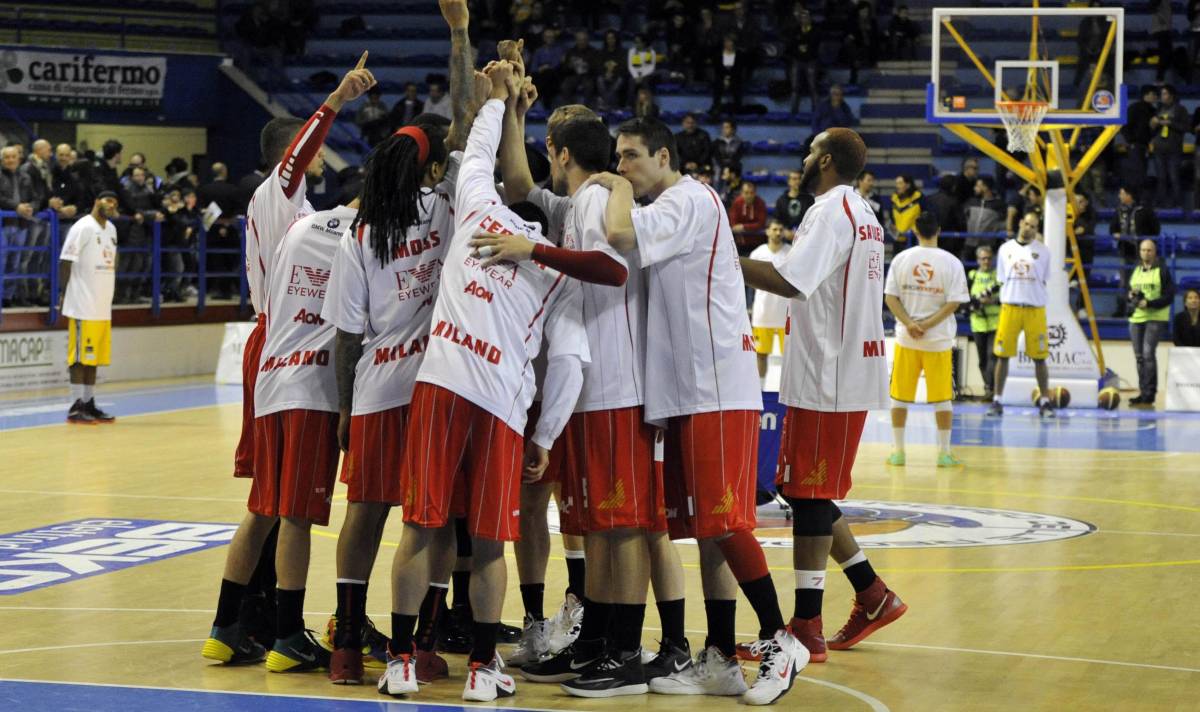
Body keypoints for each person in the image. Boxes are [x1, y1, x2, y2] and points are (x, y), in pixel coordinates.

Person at [379, 60, 588, 703]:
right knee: (491, 541)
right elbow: (572, 361)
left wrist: (499, 97)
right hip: (500, 403)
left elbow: (473, 149)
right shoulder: (555, 269)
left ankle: (402, 661)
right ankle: (480, 668)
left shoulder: (474, 211)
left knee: (421, 528)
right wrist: (547, 437)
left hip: (440, 383)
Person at [583, 117, 806, 706]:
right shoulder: (683, 202)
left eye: (631, 157)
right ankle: (720, 658)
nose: (623, 166)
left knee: (727, 525)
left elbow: (620, 233)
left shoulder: (688, 199)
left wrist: (615, 185)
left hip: (715, 389)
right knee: (708, 532)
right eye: (617, 158)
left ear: (663, 155)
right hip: (685, 393)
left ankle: (780, 640)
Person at [486, 79, 691, 699]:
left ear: (561, 152)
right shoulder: (572, 204)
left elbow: (610, 268)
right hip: (589, 387)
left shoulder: (596, 205)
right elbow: (521, 188)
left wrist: (531, 251)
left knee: (623, 525)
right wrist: (514, 115)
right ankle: (600, 638)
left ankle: (627, 651)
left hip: (618, 385)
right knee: (598, 526)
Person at [738, 127, 906, 668]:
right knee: (807, 489)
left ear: (826, 160)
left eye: (810, 152)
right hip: (841, 367)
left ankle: (806, 627)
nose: (803, 159)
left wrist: (719, 261)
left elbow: (791, 280)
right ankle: (872, 593)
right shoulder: (864, 213)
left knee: (807, 496)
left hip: (828, 371)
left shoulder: (830, 212)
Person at [202, 185, 361, 674]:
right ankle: (288, 634)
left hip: (270, 377)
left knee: (262, 510)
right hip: (312, 386)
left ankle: (225, 629)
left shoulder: (298, 226)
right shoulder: (362, 238)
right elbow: (354, 325)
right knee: (297, 516)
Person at [884, 212, 969, 466]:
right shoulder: (952, 262)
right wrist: (928, 324)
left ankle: (898, 452)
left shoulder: (901, 259)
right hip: (938, 340)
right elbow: (955, 301)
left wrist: (910, 324)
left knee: (899, 397)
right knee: (942, 398)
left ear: (915, 231)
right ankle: (944, 453)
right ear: (939, 230)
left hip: (906, 339)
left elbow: (890, 297)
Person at [57, 191, 119, 424]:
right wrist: (63, 293)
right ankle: (76, 405)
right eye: (107, 200)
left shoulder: (111, 229)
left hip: (102, 306)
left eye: (114, 202)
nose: (111, 205)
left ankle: (89, 402)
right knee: (79, 357)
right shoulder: (82, 227)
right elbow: (65, 261)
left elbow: (114, 260)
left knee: (93, 359)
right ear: (96, 201)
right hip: (82, 304)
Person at [988, 212, 1056, 418]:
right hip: (1010, 306)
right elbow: (1002, 278)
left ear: (1037, 230)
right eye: (1027, 224)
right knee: (1002, 355)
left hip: (1035, 308)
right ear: (1020, 223)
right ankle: (997, 399)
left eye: (1034, 226)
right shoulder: (1005, 249)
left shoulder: (1044, 252)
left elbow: (1044, 279)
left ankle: (1044, 401)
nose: (1029, 228)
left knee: (1039, 357)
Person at [1127, 239, 1176, 406]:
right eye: (1143, 250)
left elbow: (1169, 296)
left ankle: (1150, 393)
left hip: (1155, 316)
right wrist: (1132, 298)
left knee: (1148, 354)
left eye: (1149, 250)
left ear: (1155, 252)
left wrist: (1150, 303)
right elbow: (1132, 291)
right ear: (1139, 252)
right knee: (1139, 356)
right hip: (1136, 317)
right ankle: (1143, 392)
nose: (1146, 253)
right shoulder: (1135, 270)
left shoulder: (1162, 270)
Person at [749, 219, 791, 380]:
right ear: (767, 231)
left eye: (780, 229)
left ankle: (786, 393)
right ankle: (760, 390)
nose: (778, 233)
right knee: (760, 355)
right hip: (763, 313)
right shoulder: (757, 253)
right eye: (774, 229)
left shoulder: (791, 252)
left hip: (785, 314)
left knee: (789, 358)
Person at [1111, 185, 1161, 316]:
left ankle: (1136, 308)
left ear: (1129, 195)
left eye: (1122, 193)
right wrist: (1115, 233)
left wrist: (1147, 244)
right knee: (1123, 281)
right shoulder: (1118, 210)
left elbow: (1155, 228)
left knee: (1139, 282)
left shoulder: (1144, 210)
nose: (1119, 196)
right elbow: (1113, 228)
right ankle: (1120, 308)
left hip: (1141, 252)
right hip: (1124, 251)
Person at [0, 145, 36, 307]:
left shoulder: (26, 177)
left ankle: (8, 296)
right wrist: (16, 207)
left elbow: (35, 198)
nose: (10, 160)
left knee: (15, 262)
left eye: (13, 157)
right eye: (7, 157)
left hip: (21, 225)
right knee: (1, 261)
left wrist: (31, 208)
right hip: (3, 224)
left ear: (18, 158)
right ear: (2, 160)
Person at [968, 245, 1002, 399]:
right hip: (978, 323)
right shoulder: (972, 276)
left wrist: (992, 300)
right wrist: (974, 304)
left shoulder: (998, 276)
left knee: (992, 356)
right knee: (982, 359)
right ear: (978, 260)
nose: (986, 261)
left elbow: (1005, 297)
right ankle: (989, 388)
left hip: (995, 323)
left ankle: (992, 389)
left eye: (988, 258)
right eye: (983, 258)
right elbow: (965, 298)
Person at [1151, 85, 1189, 208]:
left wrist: (1170, 123)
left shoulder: (1180, 109)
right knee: (1161, 178)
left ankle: (1178, 205)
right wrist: (1153, 123)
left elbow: (1185, 127)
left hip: (1174, 149)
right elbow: (1152, 128)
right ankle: (1161, 205)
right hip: (1159, 148)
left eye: (1165, 94)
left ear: (1171, 95)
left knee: (1174, 177)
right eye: (1162, 94)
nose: (1163, 97)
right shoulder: (1158, 109)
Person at [1121, 86, 1157, 201]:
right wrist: (1130, 141)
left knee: (1142, 173)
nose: (1155, 97)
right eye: (1153, 94)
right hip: (1135, 145)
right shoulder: (1135, 108)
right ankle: (1134, 199)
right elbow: (1125, 126)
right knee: (1137, 174)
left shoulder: (1153, 110)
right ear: (1146, 95)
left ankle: (1139, 199)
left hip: (1144, 146)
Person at [729, 180, 767, 251]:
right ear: (741, 193)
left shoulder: (761, 203)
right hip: (740, 244)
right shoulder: (736, 203)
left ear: (755, 193)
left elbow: (761, 224)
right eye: (746, 193)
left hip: (758, 244)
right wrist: (753, 226)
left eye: (751, 193)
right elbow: (734, 225)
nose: (749, 196)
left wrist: (743, 226)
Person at [890, 174, 922, 247]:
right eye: (897, 183)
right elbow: (891, 216)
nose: (897, 186)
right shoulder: (894, 198)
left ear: (908, 185)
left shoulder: (919, 198)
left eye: (900, 183)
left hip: (914, 240)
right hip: (898, 240)